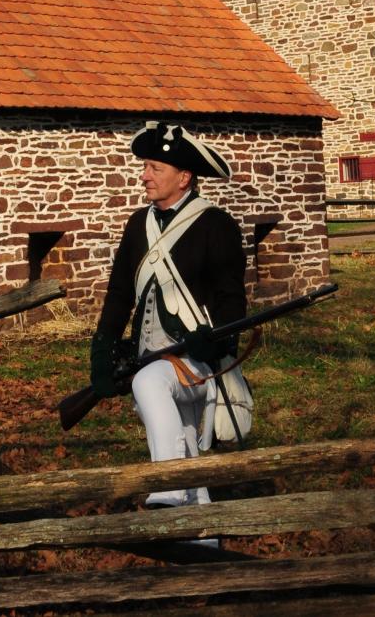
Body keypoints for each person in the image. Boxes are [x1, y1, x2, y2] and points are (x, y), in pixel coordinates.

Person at [90, 121, 247, 509]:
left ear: (184, 177)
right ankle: (203, 539)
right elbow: (120, 293)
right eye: (145, 166)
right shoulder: (137, 223)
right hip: (149, 354)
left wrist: (221, 339)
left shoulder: (216, 224)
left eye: (155, 168)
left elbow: (231, 297)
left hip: (200, 359)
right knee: (184, 446)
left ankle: (168, 490)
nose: (144, 176)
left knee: (148, 384)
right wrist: (103, 347)